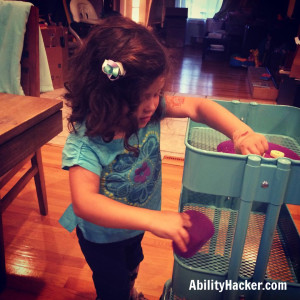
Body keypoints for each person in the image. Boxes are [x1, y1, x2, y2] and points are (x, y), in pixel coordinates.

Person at [59, 16, 268, 300]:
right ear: (104, 95)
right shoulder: (85, 143)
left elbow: (198, 105)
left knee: (132, 266)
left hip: (137, 225)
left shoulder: (151, 109)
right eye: (142, 97)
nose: (152, 106)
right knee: (112, 287)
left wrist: (241, 133)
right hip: (103, 238)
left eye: (157, 93)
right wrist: (154, 220)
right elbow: (85, 203)